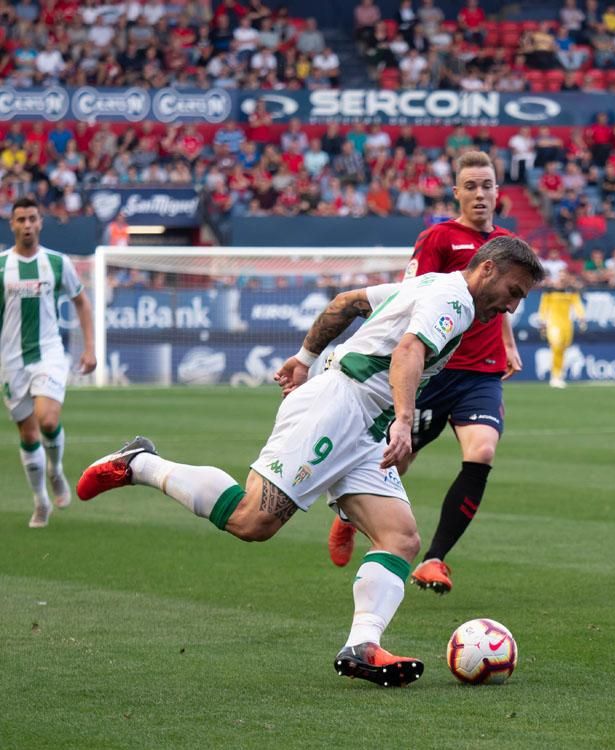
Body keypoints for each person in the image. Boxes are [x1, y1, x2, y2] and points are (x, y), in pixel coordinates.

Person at [75, 237, 545, 687]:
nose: (511, 307)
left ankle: (362, 646)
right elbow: (408, 350)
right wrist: (404, 420)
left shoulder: (428, 285)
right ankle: (140, 463)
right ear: (487, 269)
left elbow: (348, 302)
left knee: (400, 538)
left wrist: (304, 358)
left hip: (363, 427)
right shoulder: (455, 301)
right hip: (339, 409)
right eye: (513, 292)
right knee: (252, 521)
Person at [327, 150, 522, 595]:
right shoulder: (437, 238)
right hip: (437, 368)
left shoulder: (507, 244)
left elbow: (502, 298)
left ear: (498, 191)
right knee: (399, 457)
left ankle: (434, 559)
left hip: (481, 373)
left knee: (483, 452)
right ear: (456, 192)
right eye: (470, 186)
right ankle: (347, 516)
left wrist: (507, 342)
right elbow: (409, 296)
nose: (479, 194)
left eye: (487, 185)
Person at [3, 197, 96, 528]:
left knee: (47, 419)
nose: (27, 225)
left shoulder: (57, 263)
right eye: (20, 220)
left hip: (49, 353)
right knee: (28, 435)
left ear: (40, 222)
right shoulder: (2, 266)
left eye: (32, 218)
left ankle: (56, 470)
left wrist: (89, 348)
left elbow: (82, 303)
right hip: (11, 361)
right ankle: (40, 500)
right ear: (11, 224)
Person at [537, 272, 586, 388]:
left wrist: (582, 318)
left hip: (567, 324)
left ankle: (559, 375)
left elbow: (577, 305)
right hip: (553, 323)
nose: (562, 279)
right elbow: (543, 307)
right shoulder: (549, 291)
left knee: (563, 349)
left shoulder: (571, 291)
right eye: (560, 277)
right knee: (556, 345)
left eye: (564, 277)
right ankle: (555, 376)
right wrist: (542, 321)